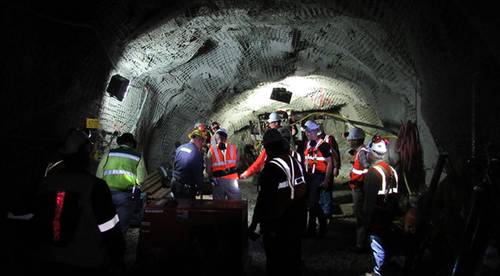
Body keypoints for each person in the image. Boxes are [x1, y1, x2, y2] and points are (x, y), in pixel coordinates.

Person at [34, 128, 125, 274]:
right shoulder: (96, 187)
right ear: (86, 154)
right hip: (85, 262)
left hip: (49, 260)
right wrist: (118, 258)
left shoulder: (45, 184)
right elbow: (110, 230)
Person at [249, 128, 307, 276]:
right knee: (293, 260)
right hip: (297, 220)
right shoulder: (296, 162)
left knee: (275, 263)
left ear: (267, 147)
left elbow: (263, 200)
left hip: (278, 224)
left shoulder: (271, 167)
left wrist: (254, 224)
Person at [96, 133, 147, 235]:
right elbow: (141, 179)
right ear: (132, 144)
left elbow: (98, 174)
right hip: (126, 197)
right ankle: (117, 247)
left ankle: (104, 246)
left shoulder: (109, 153)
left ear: (120, 142)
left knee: (105, 226)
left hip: (107, 194)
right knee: (121, 227)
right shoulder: (137, 157)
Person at [363, 135, 399, 276]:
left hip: (377, 216)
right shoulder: (392, 171)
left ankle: (379, 272)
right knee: (386, 243)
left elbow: (369, 201)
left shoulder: (373, 173)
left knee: (377, 245)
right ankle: (386, 268)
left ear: (372, 153)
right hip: (389, 214)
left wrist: (366, 219)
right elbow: (396, 195)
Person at [303, 120, 333, 237]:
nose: (308, 134)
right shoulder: (308, 144)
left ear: (316, 131)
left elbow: (330, 163)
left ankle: (319, 226)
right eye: (307, 131)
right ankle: (312, 227)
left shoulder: (324, 145)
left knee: (313, 203)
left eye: (310, 131)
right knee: (311, 204)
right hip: (309, 176)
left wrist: (326, 180)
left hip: (318, 176)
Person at [347, 127, 370, 251]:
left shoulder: (362, 153)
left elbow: (367, 168)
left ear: (356, 140)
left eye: (351, 139)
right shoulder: (361, 151)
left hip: (360, 189)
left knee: (360, 215)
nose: (349, 141)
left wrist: (361, 182)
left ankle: (360, 244)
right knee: (360, 214)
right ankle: (362, 241)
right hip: (358, 187)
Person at [240, 112, 282, 179]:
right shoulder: (286, 134)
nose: (269, 125)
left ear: (276, 123)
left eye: (271, 123)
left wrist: (247, 172)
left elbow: (259, 161)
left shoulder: (272, 142)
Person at [171, 128, 207, 199]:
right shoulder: (196, 154)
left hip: (174, 183)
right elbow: (198, 174)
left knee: (176, 204)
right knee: (186, 208)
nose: (202, 143)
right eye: (202, 141)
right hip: (185, 189)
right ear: (197, 139)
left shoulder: (180, 148)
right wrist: (200, 187)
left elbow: (174, 163)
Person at [206, 128, 241, 200]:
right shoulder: (234, 148)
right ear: (226, 137)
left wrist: (211, 177)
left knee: (218, 205)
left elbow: (208, 169)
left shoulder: (211, 150)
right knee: (235, 203)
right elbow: (237, 164)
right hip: (232, 180)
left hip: (218, 180)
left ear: (216, 137)